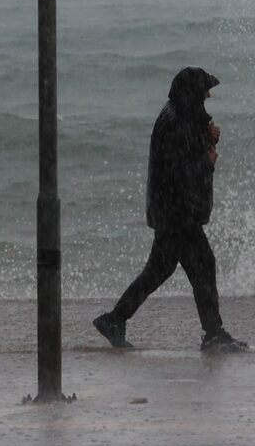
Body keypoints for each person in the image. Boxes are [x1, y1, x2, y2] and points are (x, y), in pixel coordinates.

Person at [95, 66, 246, 352]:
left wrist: (206, 139)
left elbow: (183, 158)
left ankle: (115, 319)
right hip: (178, 214)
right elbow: (184, 171)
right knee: (202, 264)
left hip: (170, 211)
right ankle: (213, 333)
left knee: (159, 269)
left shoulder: (176, 117)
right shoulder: (177, 123)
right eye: (204, 94)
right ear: (193, 95)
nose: (208, 97)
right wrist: (209, 160)